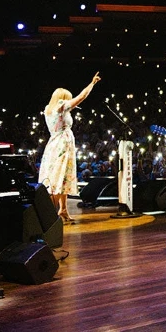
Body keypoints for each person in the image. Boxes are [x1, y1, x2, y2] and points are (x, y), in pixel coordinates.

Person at [38, 72, 101, 223]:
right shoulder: (60, 106)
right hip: (62, 145)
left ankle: (63, 210)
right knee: (58, 178)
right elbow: (81, 97)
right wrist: (92, 84)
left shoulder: (49, 108)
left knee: (63, 178)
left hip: (55, 144)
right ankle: (50, 216)